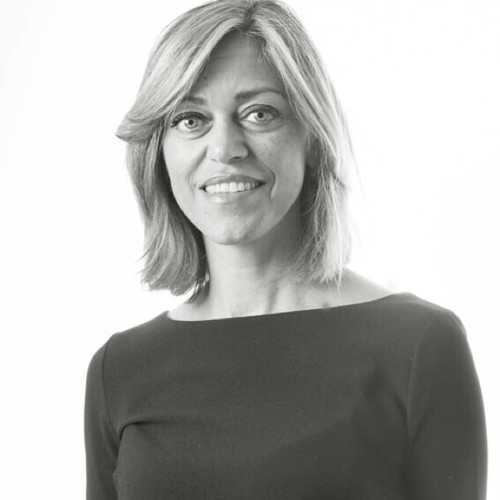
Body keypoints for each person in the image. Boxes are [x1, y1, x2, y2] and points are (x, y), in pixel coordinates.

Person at [84, 0, 487, 498]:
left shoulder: (418, 346)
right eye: (190, 119)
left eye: (259, 113)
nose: (224, 148)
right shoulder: (119, 370)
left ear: (312, 137)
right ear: (159, 152)